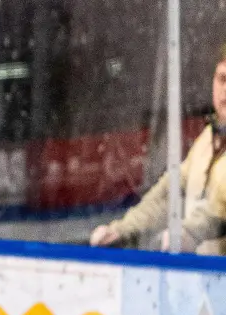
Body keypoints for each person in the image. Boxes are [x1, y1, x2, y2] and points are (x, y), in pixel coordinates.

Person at [91, 43, 226, 253]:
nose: (225, 90)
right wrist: (123, 230)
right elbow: (168, 193)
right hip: (202, 280)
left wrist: (189, 232)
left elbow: (219, 211)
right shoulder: (207, 141)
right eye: (222, 79)